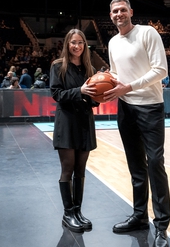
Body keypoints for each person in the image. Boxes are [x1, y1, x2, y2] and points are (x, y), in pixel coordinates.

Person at [104, 0, 170, 247]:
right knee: (136, 166)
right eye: (115, 11)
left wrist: (129, 87)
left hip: (150, 106)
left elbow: (161, 70)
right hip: (126, 107)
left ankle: (161, 225)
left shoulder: (147, 33)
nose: (119, 14)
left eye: (123, 10)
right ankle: (140, 216)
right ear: (110, 15)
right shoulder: (112, 42)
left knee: (155, 163)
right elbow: (114, 73)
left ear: (131, 12)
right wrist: (99, 79)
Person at [49, 29, 98, 233]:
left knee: (81, 169)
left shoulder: (89, 68)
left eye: (80, 42)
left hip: (84, 121)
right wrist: (80, 91)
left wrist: (100, 95)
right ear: (67, 44)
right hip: (67, 122)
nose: (76, 46)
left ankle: (77, 211)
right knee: (67, 168)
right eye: (73, 42)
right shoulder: (58, 66)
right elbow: (56, 94)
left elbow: (94, 99)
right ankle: (67, 213)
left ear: (85, 45)